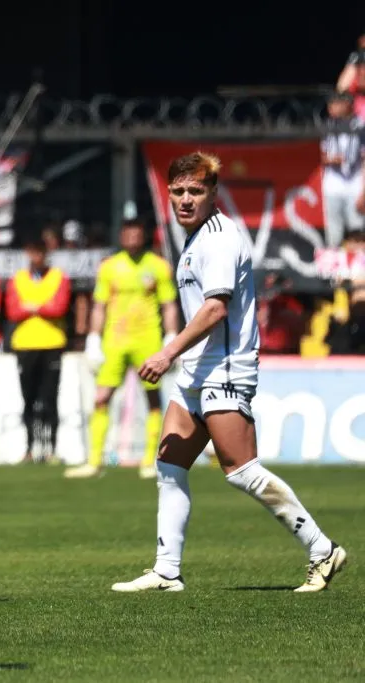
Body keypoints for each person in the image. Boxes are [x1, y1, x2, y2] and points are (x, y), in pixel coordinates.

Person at [111, 152, 347, 593]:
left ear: (214, 193)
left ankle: (322, 549)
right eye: (178, 191)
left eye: (195, 191)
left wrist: (167, 352)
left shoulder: (218, 238)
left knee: (240, 470)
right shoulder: (194, 238)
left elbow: (216, 307)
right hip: (197, 371)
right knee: (169, 465)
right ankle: (166, 571)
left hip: (224, 368)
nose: (185, 199)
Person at [67, 218, 179, 479]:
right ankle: (94, 461)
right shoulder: (109, 267)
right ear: (121, 235)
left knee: (152, 398)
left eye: (136, 232)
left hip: (147, 339)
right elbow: (99, 304)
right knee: (101, 398)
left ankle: (151, 460)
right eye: (127, 232)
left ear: (144, 235)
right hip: (115, 341)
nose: (132, 237)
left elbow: (169, 304)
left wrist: (171, 337)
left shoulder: (158, 267)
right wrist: (93, 338)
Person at [3, 237, 71, 462]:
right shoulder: (17, 279)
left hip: (52, 343)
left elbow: (59, 307)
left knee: (50, 398)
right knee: (29, 399)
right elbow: (12, 310)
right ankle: (30, 449)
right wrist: (43, 306)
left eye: (40, 252)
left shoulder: (58, 277)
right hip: (25, 344)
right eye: (32, 251)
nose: (36, 257)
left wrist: (33, 306)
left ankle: (51, 449)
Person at [320, 91, 365, 249]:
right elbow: (322, 155)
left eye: (335, 103)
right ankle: (337, 272)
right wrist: (331, 159)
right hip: (333, 186)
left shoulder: (360, 127)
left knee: (357, 232)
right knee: (334, 235)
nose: (331, 107)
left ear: (347, 104)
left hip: (355, 185)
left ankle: (358, 272)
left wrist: (363, 191)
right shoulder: (329, 125)